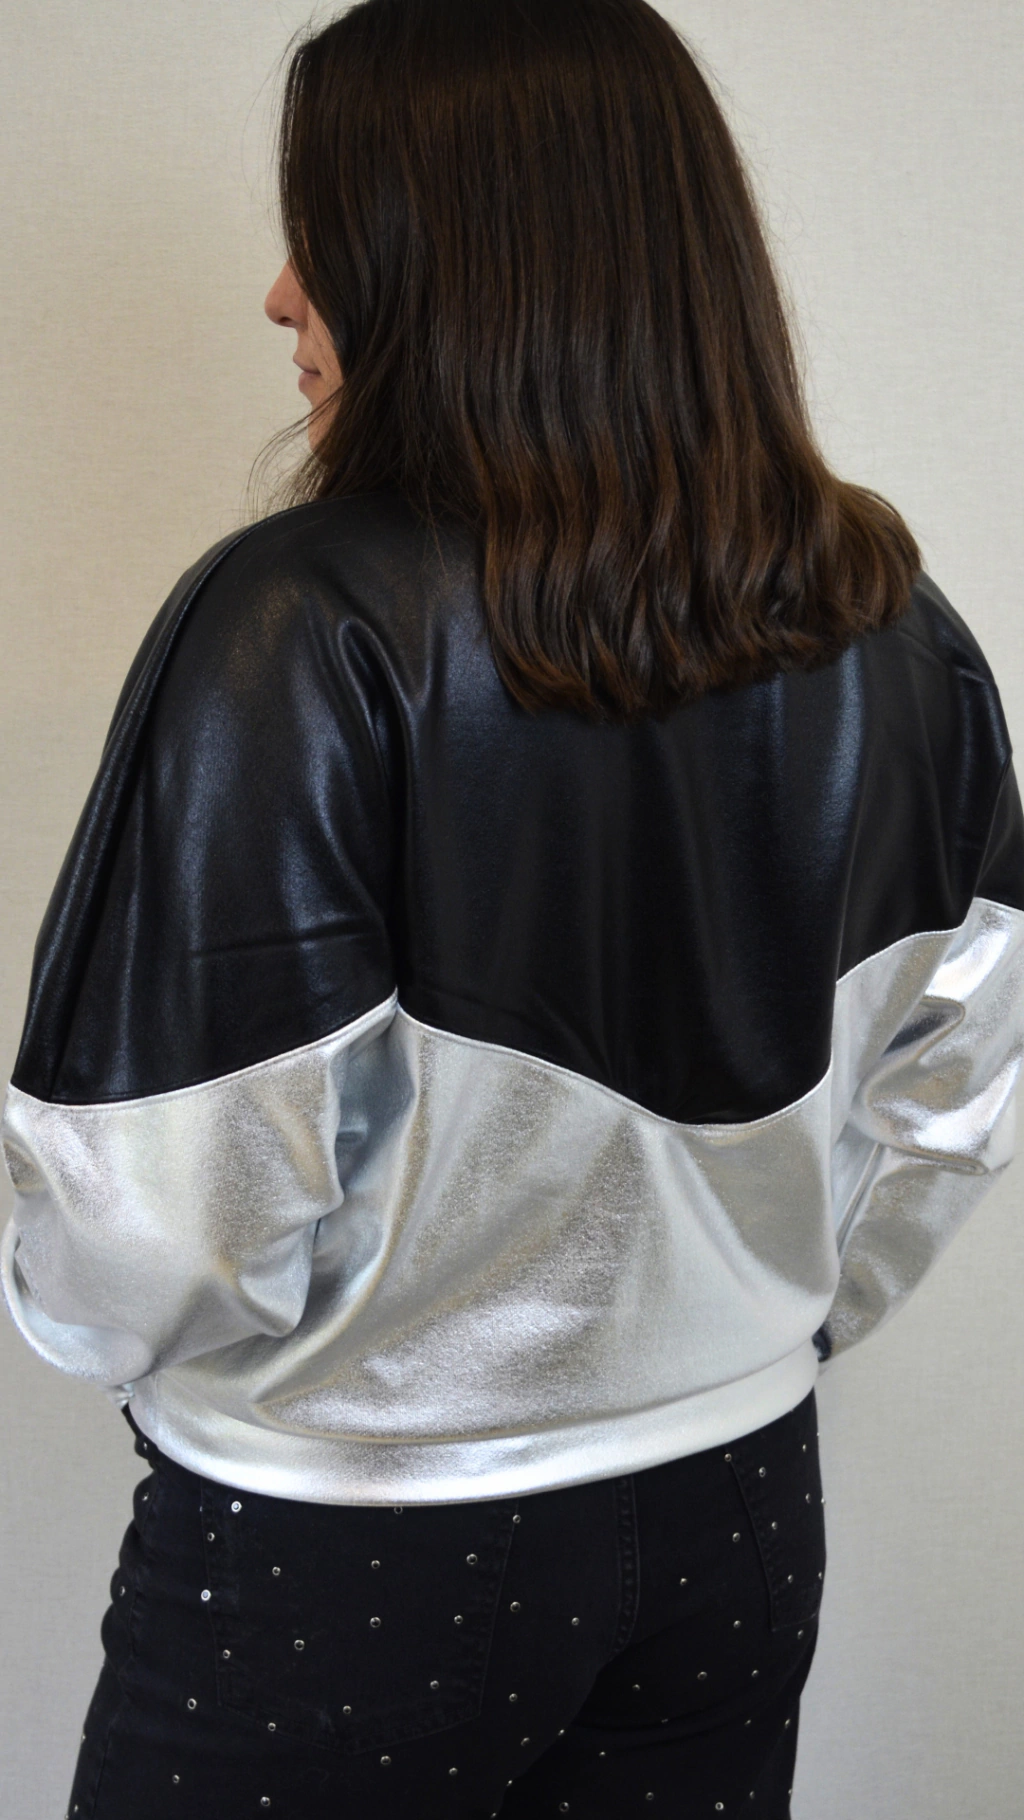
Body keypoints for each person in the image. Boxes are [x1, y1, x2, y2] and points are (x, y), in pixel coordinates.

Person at [4, 2, 1023, 1815]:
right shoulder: (896, 625)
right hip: (733, 1512)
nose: (282, 298)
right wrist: (750, 1331)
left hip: (351, 1547)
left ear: (452, 262)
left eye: (328, 235)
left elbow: (148, 1220)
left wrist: (121, 1346)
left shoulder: (299, 625)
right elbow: (951, 1097)